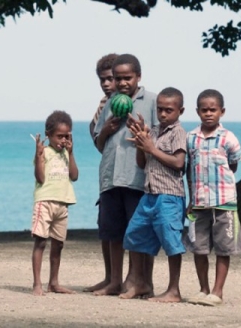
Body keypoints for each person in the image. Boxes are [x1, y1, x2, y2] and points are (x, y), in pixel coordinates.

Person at [92, 54, 157, 296]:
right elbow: (100, 144)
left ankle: (139, 281)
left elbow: (158, 141)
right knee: (113, 232)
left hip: (137, 178)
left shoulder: (151, 101)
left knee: (138, 231)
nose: (122, 83)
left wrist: (143, 134)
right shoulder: (110, 103)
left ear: (138, 77)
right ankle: (115, 281)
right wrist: (106, 130)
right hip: (111, 177)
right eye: (117, 78)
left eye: (127, 78)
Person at [121, 87, 187, 302]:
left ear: (180, 111)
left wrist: (152, 149)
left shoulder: (178, 132)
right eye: (160, 109)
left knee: (171, 242)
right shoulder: (154, 131)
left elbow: (178, 163)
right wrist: (142, 144)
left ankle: (173, 290)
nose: (163, 114)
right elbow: (142, 164)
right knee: (134, 234)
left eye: (169, 110)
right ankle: (141, 283)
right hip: (149, 194)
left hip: (169, 196)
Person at [183, 89, 241, 306]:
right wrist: (191, 199)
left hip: (224, 203)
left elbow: (233, 165)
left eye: (213, 110)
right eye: (204, 110)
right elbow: (189, 171)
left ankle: (217, 292)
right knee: (198, 247)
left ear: (222, 111)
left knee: (223, 248)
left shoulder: (228, 138)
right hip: (199, 203)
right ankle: (203, 289)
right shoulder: (190, 139)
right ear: (197, 111)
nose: (208, 114)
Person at [31, 110, 78, 296]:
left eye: (67, 136)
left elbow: (74, 176)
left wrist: (71, 153)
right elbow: (40, 178)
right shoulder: (45, 153)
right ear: (48, 134)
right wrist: (39, 158)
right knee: (40, 242)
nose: (63, 140)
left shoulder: (66, 153)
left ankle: (54, 282)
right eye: (59, 136)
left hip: (63, 203)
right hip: (45, 202)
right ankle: (37, 283)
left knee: (58, 244)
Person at [84, 53, 120, 293]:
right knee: (107, 230)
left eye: (110, 79)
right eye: (102, 80)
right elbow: (96, 138)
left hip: (130, 175)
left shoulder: (131, 102)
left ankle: (126, 279)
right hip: (108, 174)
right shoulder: (102, 106)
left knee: (128, 231)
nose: (106, 84)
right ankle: (110, 277)